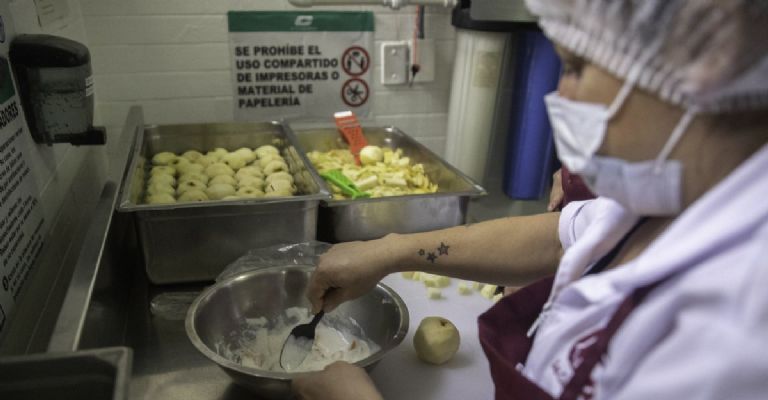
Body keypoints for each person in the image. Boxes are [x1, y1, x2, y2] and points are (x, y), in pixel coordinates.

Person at [292, 1, 768, 399]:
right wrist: (390, 250)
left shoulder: (732, 333)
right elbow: (559, 239)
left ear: (697, 75)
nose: (559, 93)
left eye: (577, 67)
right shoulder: (668, 196)